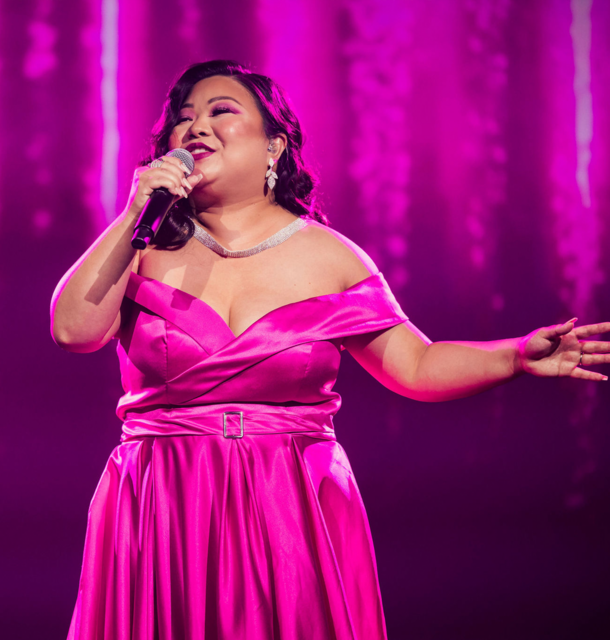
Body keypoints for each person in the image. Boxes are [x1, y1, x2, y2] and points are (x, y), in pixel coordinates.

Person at [49, 60, 609, 640]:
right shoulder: (143, 247)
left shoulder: (332, 257)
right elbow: (75, 330)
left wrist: (514, 356)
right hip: (164, 496)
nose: (195, 128)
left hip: (288, 498)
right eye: (183, 120)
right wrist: (135, 211)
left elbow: (414, 365)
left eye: (222, 112)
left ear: (275, 147)